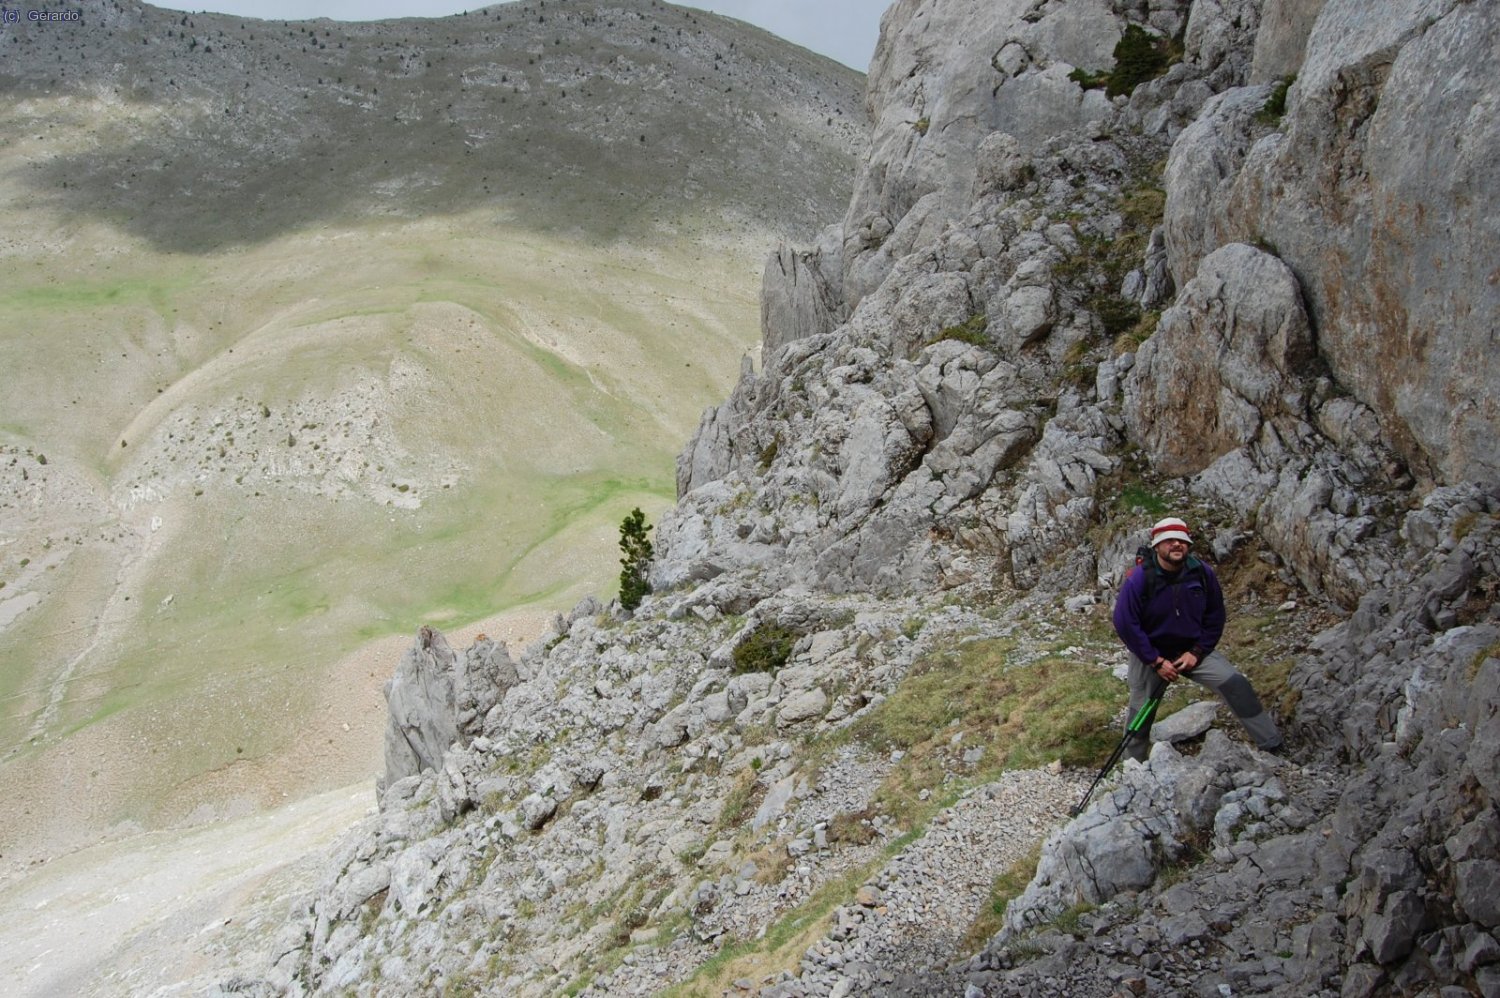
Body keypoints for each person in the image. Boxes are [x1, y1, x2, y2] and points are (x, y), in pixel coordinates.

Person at [1112, 516, 1283, 761]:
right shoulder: (1139, 578)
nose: (1176, 545)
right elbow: (1125, 622)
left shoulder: (1202, 573)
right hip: (1151, 652)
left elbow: (1215, 616)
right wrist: (1155, 661)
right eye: (1168, 541)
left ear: (1188, 544)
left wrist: (1197, 651)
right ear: (1157, 546)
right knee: (1141, 711)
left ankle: (1271, 743)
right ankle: (1131, 765)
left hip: (1192, 650)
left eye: (1181, 540)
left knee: (1236, 684)